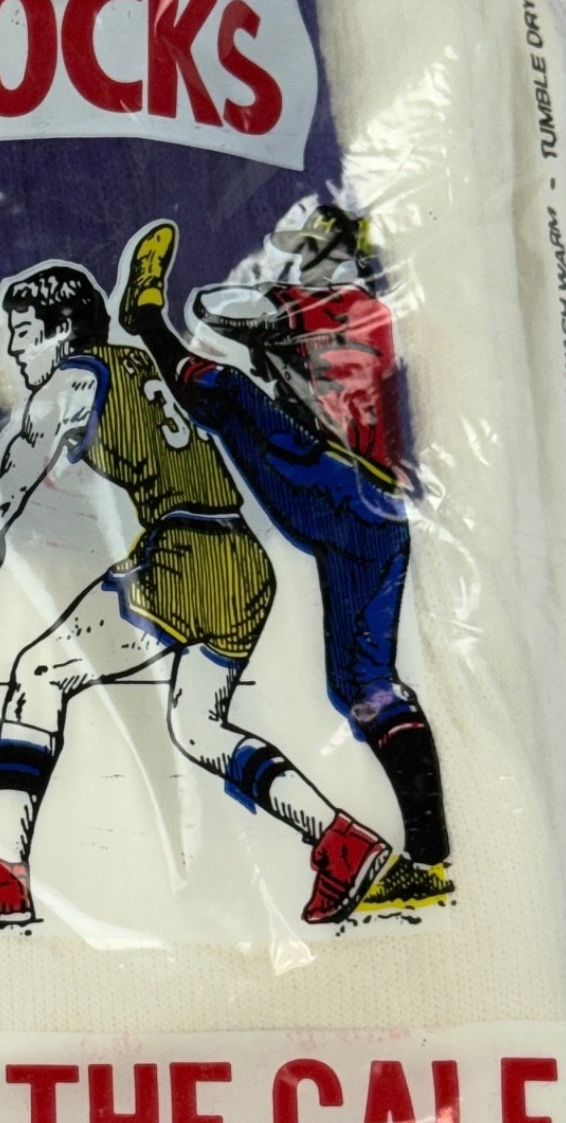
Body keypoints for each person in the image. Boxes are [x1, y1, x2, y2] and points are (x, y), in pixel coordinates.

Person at [0, 261, 390, 931]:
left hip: (185, 554)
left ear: (60, 331)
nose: (13, 349)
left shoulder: (72, 380)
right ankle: (340, 840)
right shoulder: (136, 363)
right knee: (198, 728)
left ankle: (4, 876)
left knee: (38, 675)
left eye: (22, 332)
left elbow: (8, 489)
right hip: (241, 562)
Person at [119, 210, 452, 908]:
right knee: (366, 685)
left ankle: (143, 318)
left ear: (341, 255)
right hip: (382, 513)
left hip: (331, 485)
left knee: (224, 394)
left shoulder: (318, 303)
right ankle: (431, 859)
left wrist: (268, 309)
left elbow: (218, 307)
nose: (301, 260)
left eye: (311, 250)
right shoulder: (382, 316)